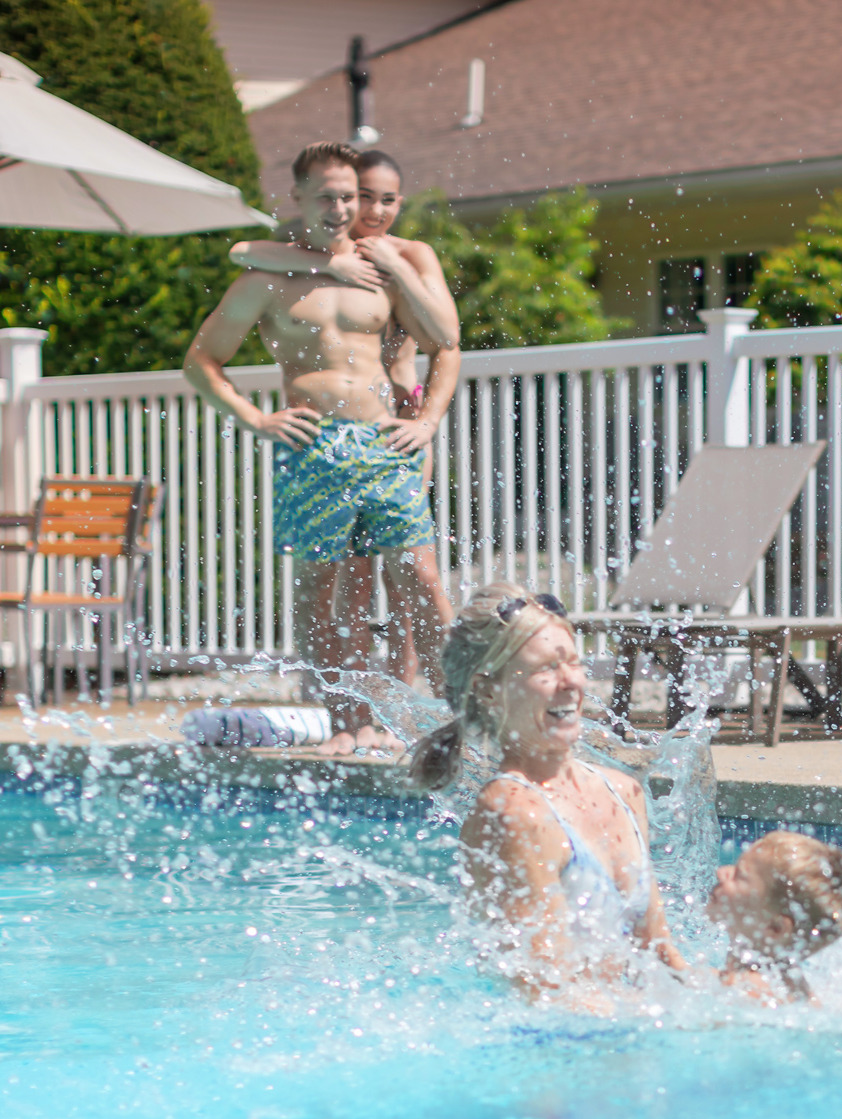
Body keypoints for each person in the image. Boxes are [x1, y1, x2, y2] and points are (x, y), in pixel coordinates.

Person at [183, 141, 460, 751]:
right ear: (300, 200)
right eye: (328, 197)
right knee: (323, 588)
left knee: (419, 575)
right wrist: (255, 418)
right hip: (311, 446)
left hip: (382, 440)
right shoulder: (264, 281)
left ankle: (459, 715)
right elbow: (201, 361)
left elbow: (445, 342)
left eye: (349, 197)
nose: (342, 208)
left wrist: (429, 421)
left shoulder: (380, 270)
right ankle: (346, 722)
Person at [408, 583, 685, 1004]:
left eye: (573, 661)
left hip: (624, 1033)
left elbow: (659, 951)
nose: (570, 682)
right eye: (546, 669)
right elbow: (548, 990)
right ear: (488, 690)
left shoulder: (622, 791)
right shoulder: (513, 812)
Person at [708, 830, 842, 1004]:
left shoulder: (754, 989)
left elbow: (688, 986)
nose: (721, 872)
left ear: (775, 928)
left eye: (738, 876)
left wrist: (670, 950)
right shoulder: (777, 977)